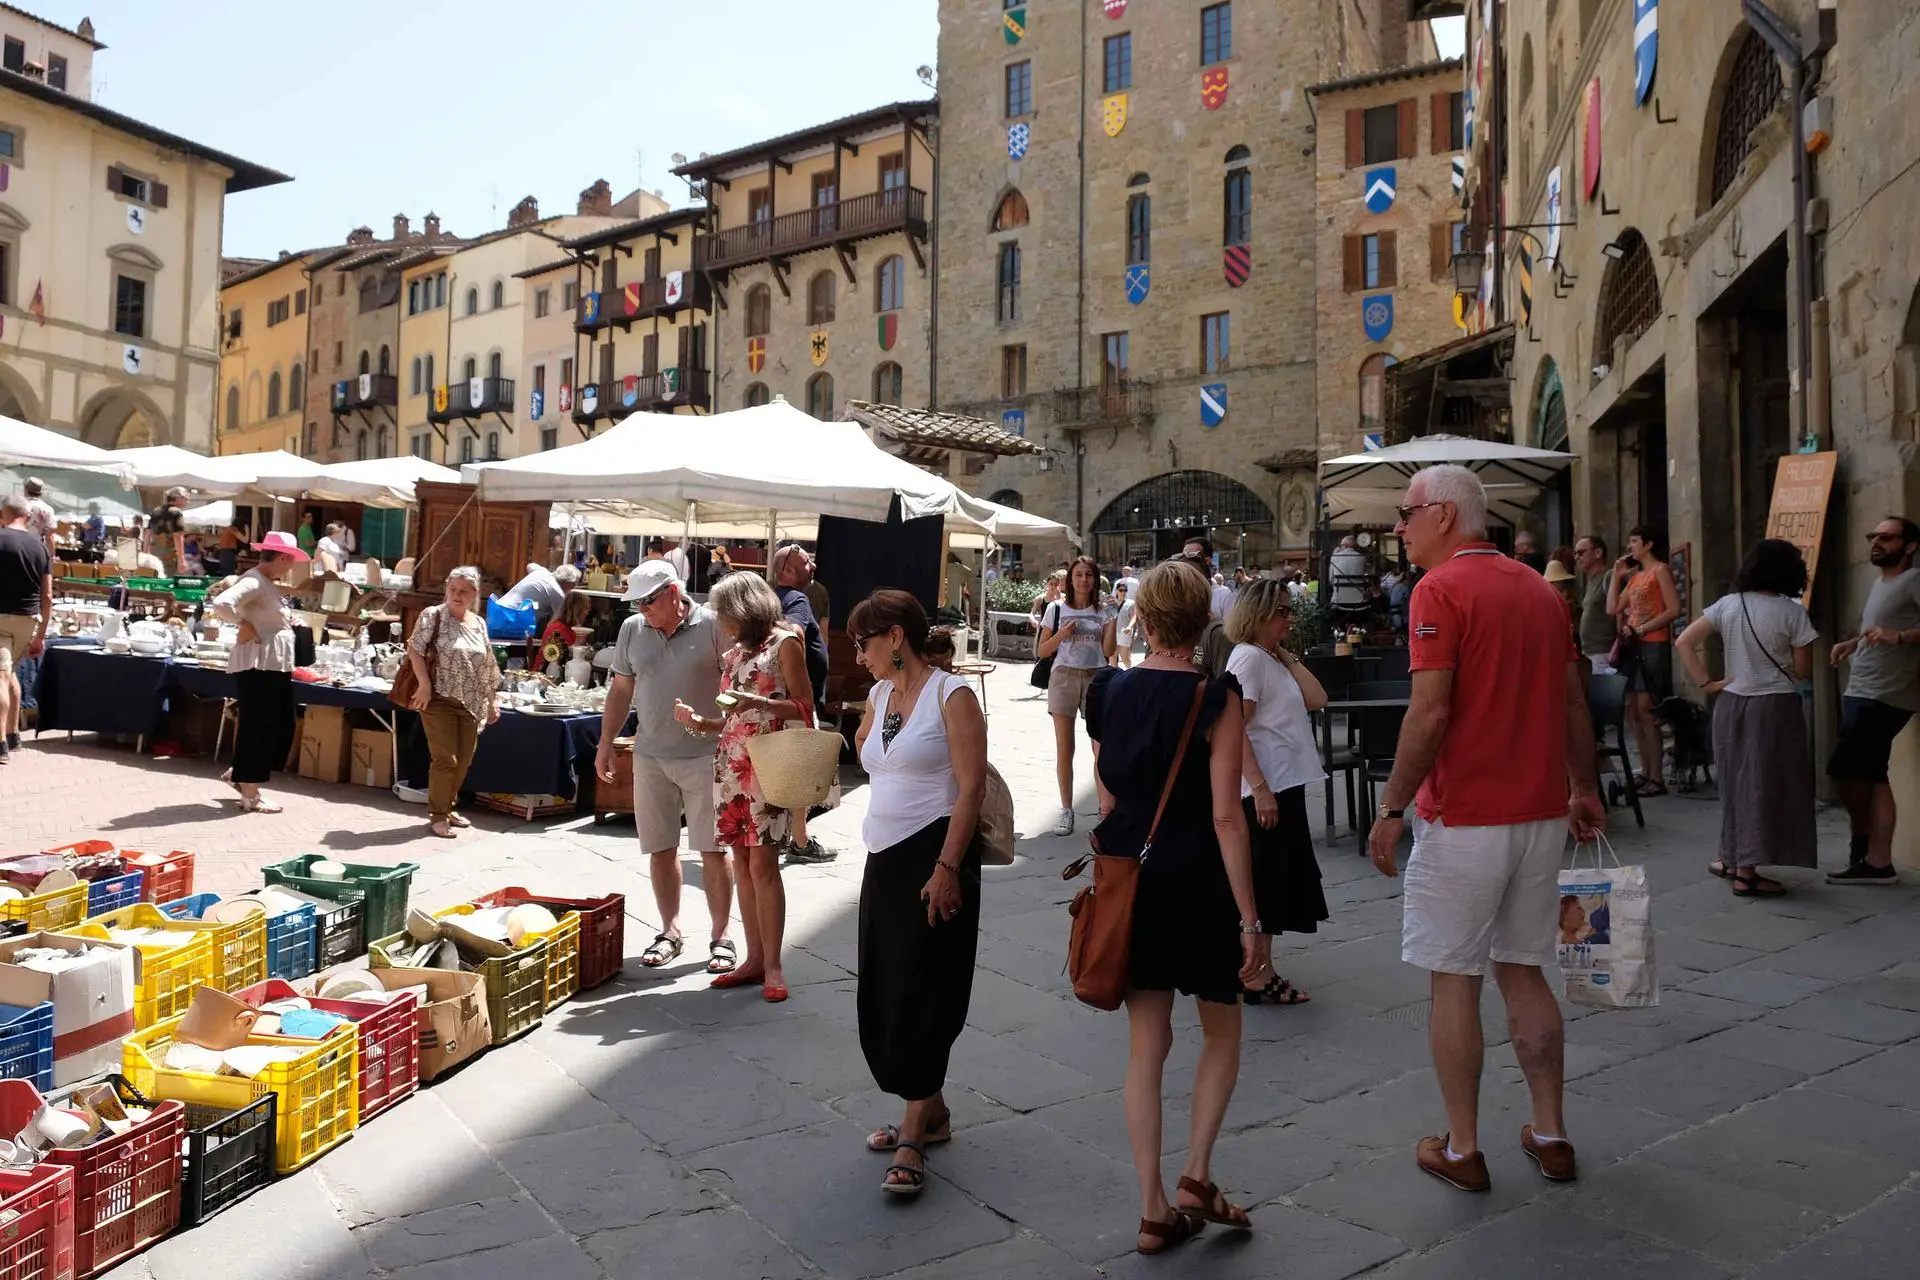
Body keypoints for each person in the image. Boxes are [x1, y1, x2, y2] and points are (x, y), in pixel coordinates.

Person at [1366, 464, 1604, 1193]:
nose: (1399, 529)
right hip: (1539, 814)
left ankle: (1464, 1147)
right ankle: (1551, 1131)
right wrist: (1585, 784)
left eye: (1406, 514)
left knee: (1454, 980)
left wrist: (1392, 806)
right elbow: (1572, 700)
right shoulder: (1539, 588)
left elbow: (1430, 712)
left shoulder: (1438, 591)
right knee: (1525, 970)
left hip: (1464, 816)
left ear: (1443, 514)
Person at [1084, 560, 1266, 1255]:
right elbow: (1228, 817)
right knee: (1221, 1030)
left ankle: (1153, 1205)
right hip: (1198, 879)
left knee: (1146, 1044)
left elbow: (1104, 795)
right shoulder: (1217, 696)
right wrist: (1251, 918)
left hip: (1131, 876)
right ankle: (1197, 1173)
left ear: (1144, 619)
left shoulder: (1109, 691)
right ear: (1203, 621)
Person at [849, 591, 987, 1197]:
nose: (860, 656)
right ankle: (931, 1112)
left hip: (935, 857)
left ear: (896, 638)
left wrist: (948, 866)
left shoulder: (951, 695)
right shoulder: (881, 696)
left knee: (926, 991)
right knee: (886, 990)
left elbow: (972, 787)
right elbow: (874, 753)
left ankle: (913, 1131)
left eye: (865, 643)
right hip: (883, 858)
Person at [673, 571, 812, 1002]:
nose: (721, 623)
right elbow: (732, 717)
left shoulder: (785, 644)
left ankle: (772, 966)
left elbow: (806, 709)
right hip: (732, 766)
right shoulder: (734, 656)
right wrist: (700, 723)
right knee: (744, 866)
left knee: (764, 867)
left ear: (746, 608)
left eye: (726, 614)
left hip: (769, 765)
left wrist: (762, 703)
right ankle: (753, 960)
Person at [594, 561, 736, 974]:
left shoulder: (712, 624)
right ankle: (670, 930)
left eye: (649, 600)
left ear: (674, 592)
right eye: (636, 602)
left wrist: (717, 725)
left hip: (706, 753)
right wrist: (606, 743)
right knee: (659, 848)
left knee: (712, 849)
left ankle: (721, 934)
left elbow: (734, 683)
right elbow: (621, 689)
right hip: (651, 753)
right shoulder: (632, 630)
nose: (642, 608)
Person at [1674, 539, 1817, 896]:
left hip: (1731, 702)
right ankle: (1747, 874)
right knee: (1763, 784)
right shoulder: (1792, 612)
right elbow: (1802, 670)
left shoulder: (1727, 604)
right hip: (1774, 707)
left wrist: (1707, 683)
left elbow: (1684, 642)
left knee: (1735, 782)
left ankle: (1731, 857)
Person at [1224, 578, 1329, 1004]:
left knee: (1277, 881)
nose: (1289, 618)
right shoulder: (1248, 659)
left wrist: (1284, 654)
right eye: (1281, 612)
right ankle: (1255, 974)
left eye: (1289, 610)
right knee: (1266, 882)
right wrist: (1262, 788)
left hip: (1285, 782)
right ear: (1258, 614)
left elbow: (1318, 697)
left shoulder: (1266, 657)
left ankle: (1260, 970)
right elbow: (1234, 728)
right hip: (1265, 789)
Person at [1824, 516, 1920, 886]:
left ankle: (1863, 842)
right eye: (1874, 536)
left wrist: (1901, 636)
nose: (1876, 542)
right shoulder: (1881, 581)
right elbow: (1875, 628)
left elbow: (1894, 632)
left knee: (1844, 769)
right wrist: (1853, 643)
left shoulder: (1913, 580)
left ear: (1909, 546)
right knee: (1872, 775)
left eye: (1887, 537)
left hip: (1887, 694)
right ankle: (1877, 862)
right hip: (1862, 687)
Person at [210, 531, 308, 813]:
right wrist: (242, 624)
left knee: (278, 724)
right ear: (281, 558)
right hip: (259, 665)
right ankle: (249, 792)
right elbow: (222, 603)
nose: (291, 567)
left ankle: (243, 774)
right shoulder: (254, 580)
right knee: (260, 726)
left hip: (271, 665)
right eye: (290, 561)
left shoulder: (264, 582)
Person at [403, 566, 501, 839]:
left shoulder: (478, 623)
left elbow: (487, 665)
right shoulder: (432, 616)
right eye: (452, 589)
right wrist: (423, 684)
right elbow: (415, 649)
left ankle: (448, 807)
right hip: (438, 697)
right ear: (446, 587)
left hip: (471, 700)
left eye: (463, 591)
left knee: (464, 760)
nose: (456, 595)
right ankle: (437, 815)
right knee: (445, 758)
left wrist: (493, 699)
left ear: (474, 594)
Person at [1035, 555, 1114, 836]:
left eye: (1089, 575)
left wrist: (1113, 619)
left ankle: (1106, 810)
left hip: (1096, 677)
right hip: (1064, 676)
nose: (1084, 580)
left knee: (1102, 748)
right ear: (1071, 579)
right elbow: (1042, 651)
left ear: (1095, 579)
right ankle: (1067, 810)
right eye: (1079, 574)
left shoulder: (1103, 611)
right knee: (1064, 747)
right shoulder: (1056, 609)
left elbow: (1107, 650)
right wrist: (1061, 635)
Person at [1606, 525, 1680, 796]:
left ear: (1648, 544)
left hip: (1652, 643)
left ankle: (1656, 776)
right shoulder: (1636, 577)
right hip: (1634, 645)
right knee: (1634, 711)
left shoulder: (1660, 571)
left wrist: (1643, 628)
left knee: (1646, 708)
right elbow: (1613, 607)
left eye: (1635, 541)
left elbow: (1674, 609)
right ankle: (1646, 772)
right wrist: (1616, 576)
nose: (1631, 547)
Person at [773, 543, 834, 864]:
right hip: (796, 701)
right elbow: (792, 631)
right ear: (786, 571)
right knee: (800, 771)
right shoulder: (796, 599)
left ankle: (784, 835)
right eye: (805, 562)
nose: (812, 566)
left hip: (780, 699)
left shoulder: (771, 598)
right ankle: (799, 841)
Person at [0, 495, 52, 762]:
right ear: (28, 516)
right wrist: (41, 635)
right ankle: (13, 734)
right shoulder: (40, 547)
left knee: (0, 676)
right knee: (10, 673)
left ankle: (0, 745)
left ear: (3, 515)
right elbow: (48, 596)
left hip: (1, 617)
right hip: (28, 620)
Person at [1573, 536, 1615, 673]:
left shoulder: (1609, 577)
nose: (1577, 557)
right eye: (1575, 554)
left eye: (1581, 552)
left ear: (1598, 553)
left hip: (1604, 651)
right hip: (1590, 653)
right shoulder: (1590, 582)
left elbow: (1621, 611)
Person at [499, 561, 576, 633]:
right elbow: (563, 620)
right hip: (511, 619)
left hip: (497, 609)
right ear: (568, 583)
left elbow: (530, 566)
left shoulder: (542, 571)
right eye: (573, 585)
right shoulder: (557, 593)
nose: (572, 589)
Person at [1184, 538, 1234, 619]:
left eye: (1191, 557)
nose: (1184, 563)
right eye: (1182, 557)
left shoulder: (1225, 596)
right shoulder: (1179, 593)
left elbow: (1231, 630)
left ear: (1207, 561)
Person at [1329, 535, 1371, 618]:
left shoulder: (1335, 557)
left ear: (1344, 546)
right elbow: (1367, 576)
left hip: (1339, 603)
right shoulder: (1362, 558)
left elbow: (1330, 580)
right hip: (1359, 604)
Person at [148, 489, 187, 575]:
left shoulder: (155, 511)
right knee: (169, 581)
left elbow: (147, 533)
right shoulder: (176, 512)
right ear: (176, 498)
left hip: (155, 553)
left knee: (156, 579)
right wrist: (181, 559)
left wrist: (146, 553)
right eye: (185, 498)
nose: (187, 501)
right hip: (169, 554)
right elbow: (178, 536)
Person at [20, 478, 55, 554]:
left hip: (16, 546)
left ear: (25, 489)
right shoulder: (47, 509)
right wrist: (52, 557)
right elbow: (49, 536)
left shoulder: (17, 505)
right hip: (36, 548)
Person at [1113, 581, 1137, 668]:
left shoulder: (1131, 603)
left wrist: (1130, 627)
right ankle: (1114, 677)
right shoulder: (1111, 602)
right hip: (1113, 632)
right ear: (1116, 591)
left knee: (1124, 657)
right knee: (1113, 656)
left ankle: (1129, 673)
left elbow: (1134, 617)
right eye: (1121, 590)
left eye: (1125, 590)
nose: (1123, 592)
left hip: (1124, 632)